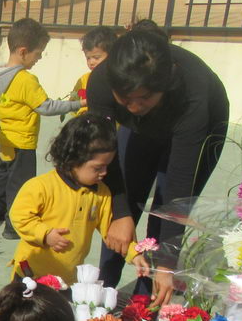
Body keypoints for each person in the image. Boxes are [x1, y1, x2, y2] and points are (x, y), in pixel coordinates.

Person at [87, 25, 229, 304]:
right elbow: (104, 153)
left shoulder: (192, 93)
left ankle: (146, 299)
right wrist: (121, 213)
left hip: (203, 124)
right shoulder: (102, 81)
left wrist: (167, 261)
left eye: (144, 98)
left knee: (163, 207)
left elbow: (179, 183)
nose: (135, 107)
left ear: (163, 87)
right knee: (124, 201)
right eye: (125, 99)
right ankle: (102, 290)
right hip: (142, 129)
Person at [8, 113, 148, 285]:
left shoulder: (101, 193)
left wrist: (134, 253)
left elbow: (111, 231)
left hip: (67, 279)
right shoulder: (41, 186)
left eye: (107, 166)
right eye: (98, 168)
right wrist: (45, 234)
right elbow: (19, 217)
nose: (105, 172)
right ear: (72, 159)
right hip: (30, 275)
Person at [0, 18, 80, 239]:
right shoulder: (24, 79)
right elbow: (46, 106)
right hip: (22, 142)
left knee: (3, 178)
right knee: (20, 185)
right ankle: (13, 226)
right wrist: (78, 104)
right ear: (23, 51)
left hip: (4, 139)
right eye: (39, 53)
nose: (39, 58)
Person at [70, 26, 119, 116]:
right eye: (88, 58)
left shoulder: (117, 79)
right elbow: (73, 104)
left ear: (112, 54)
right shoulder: (83, 79)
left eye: (96, 57)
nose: (91, 62)